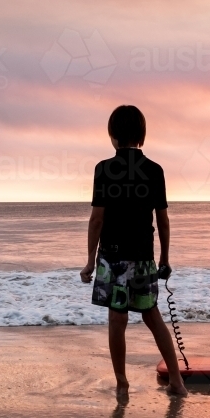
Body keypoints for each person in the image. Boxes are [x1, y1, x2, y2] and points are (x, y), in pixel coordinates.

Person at [80, 105, 187, 398]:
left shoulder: (104, 169)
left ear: (112, 134)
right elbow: (162, 220)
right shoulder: (154, 170)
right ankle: (177, 382)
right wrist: (164, 258)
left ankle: (122, 384)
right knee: (152, 316)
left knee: (117, 319)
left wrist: (90, 260)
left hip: (113, 257)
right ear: (141, 134)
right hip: (142, 256)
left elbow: (97, 219)